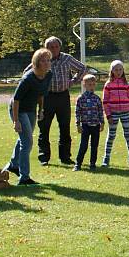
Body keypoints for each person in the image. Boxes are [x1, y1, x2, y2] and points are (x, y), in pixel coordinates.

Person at [5, 48, 52, 185]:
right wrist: (16, 121)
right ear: (36, 63)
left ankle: (13, 164)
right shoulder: (28, 78)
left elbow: (41, 94)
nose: (46, 63)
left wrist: (41, 110)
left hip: (31, 109)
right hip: (18, 109)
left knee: (24, 139)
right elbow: (16, 100)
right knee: (27, 142)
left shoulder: (48, 75)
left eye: (48, 60)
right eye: (43, 60)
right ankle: (24, 177)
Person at [36, 36, 86, 166]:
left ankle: (65, 157)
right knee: (44, 127)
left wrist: (74, 81)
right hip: (47, 97)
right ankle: (44, 157)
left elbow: (82, 68)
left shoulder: (67, 58)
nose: (54, 49)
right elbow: (28, 72)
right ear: (46, 48)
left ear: (60, 47)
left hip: (63, 96)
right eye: (50, 47)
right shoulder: (42, 59)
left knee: (64, 127)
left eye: (56, 46)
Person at [101, 60, 129, 167]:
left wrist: (128, 107)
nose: (118, 71)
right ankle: (106, 158)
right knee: (111, 135)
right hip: (113, 113)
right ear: (112, 70)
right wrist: (108, 115)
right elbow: (105, 101)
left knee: (128, 134)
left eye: (120, 69)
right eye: (116, 69)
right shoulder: (108, 84)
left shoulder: (126, 83)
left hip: (125, 113)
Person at [73, 74, 104, 171]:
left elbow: (100, 111)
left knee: (94, 146)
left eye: (93, 84)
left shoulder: (97, 98)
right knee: (83, 145)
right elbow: (77, 112)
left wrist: (102, 123)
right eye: (89, 85)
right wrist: (78, 124)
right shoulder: (81, 99)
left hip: (95, 125)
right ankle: (78, 164)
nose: (91, 87)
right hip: (85, 125)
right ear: (84, 85)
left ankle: (92, 164)